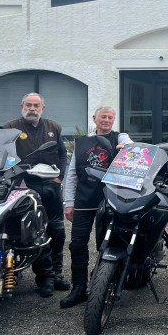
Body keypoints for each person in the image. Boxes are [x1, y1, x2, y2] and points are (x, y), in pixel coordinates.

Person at [59, 106, 131, 308]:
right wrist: (69, 203)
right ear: (94, 118)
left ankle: (101, 283)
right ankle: (78, 288)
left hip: (110, 202)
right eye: (103, 117)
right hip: (83, 201)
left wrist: (127, 148)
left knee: (105, 245)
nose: (106, 120)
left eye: (110, 117)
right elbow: (72, 175)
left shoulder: (120, 138)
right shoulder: (82, 142)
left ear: (114, 120)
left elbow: (133, 147)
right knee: (77, 245)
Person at [1, 93, 69, 297]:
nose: (32, 108)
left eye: (36, 105)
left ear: (42, 108)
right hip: (24, 187)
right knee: (34, 232)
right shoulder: (9, 128)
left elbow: (62, 153)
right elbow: (1, 157)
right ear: (22, 106)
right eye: (29, 105)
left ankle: (56, 274)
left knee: (57, 231)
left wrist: (60, 176)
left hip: (50, 186)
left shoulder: (54, 127)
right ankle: (44, 278)